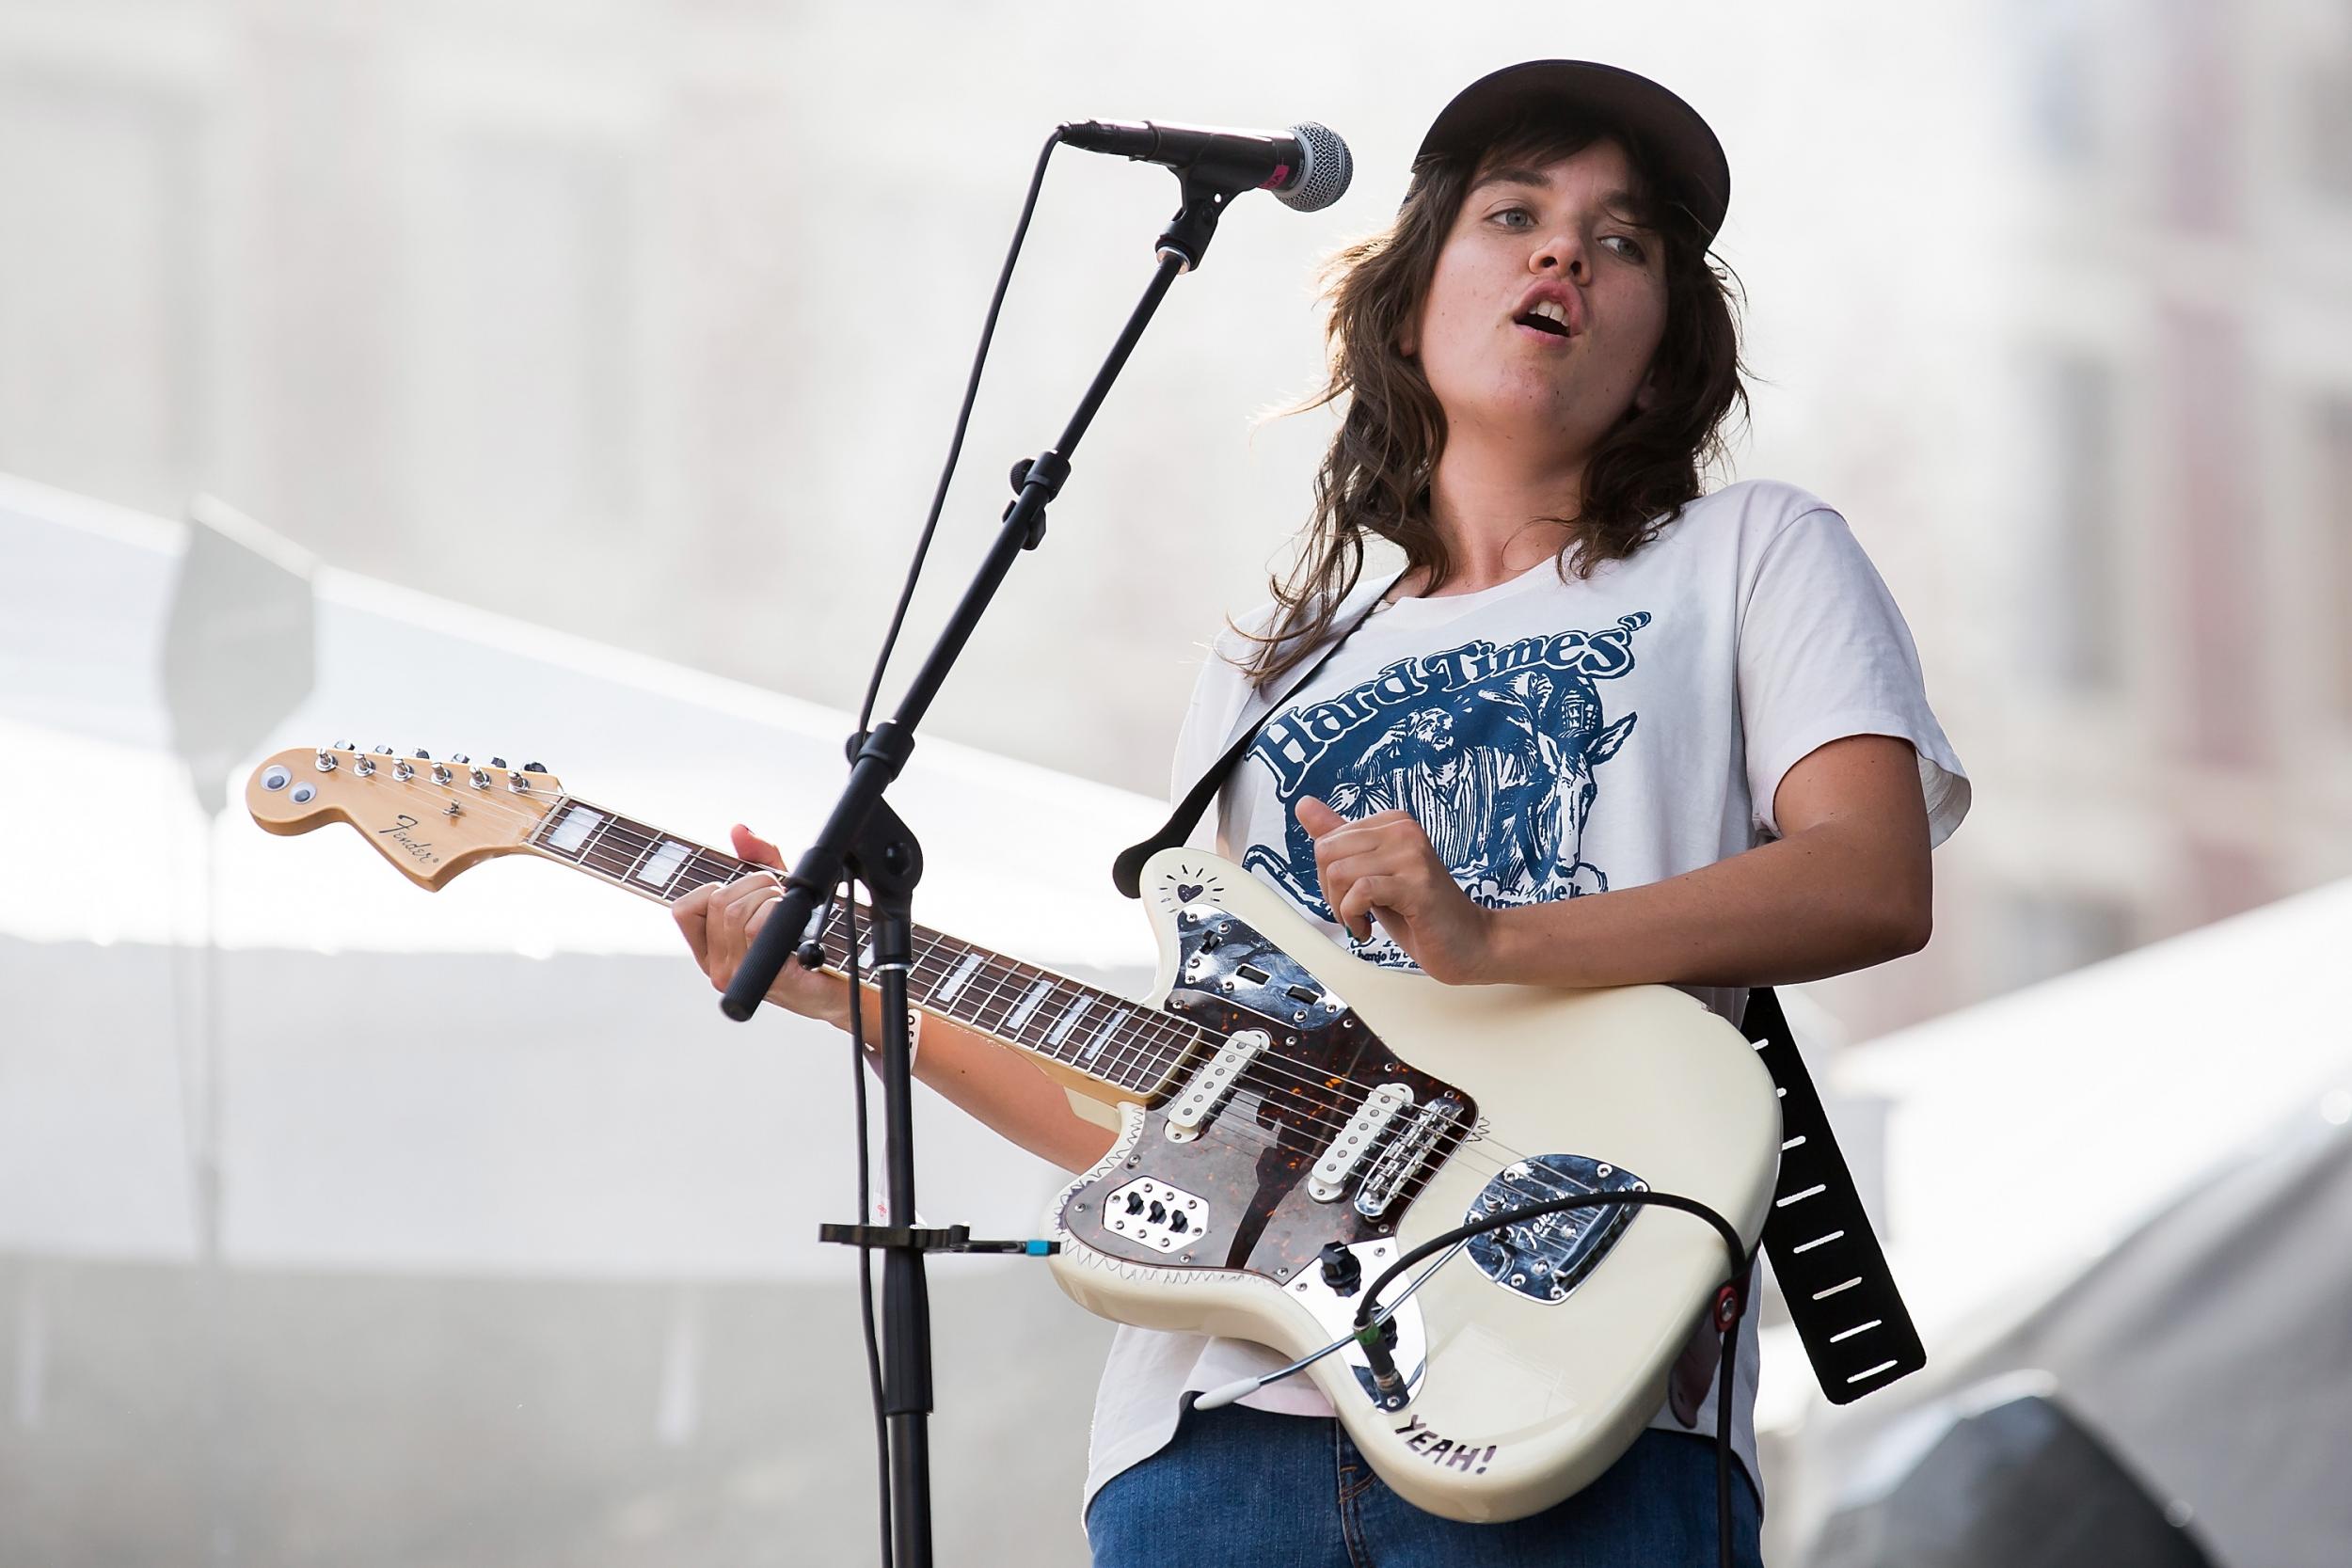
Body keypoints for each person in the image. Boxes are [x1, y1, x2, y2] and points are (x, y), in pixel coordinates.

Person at [675, 59, 1968, 1568]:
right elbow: (1179, 1095)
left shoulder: (1753, 554)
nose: (1566, 253)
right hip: (1212, 1443)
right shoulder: (1271, 663)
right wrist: (857, 995)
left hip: (1569, 1396)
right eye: (1517, 214)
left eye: (1624, 241)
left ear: (1665, 342)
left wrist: (1491, 939)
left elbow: (1871, 879)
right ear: (1412, 289)